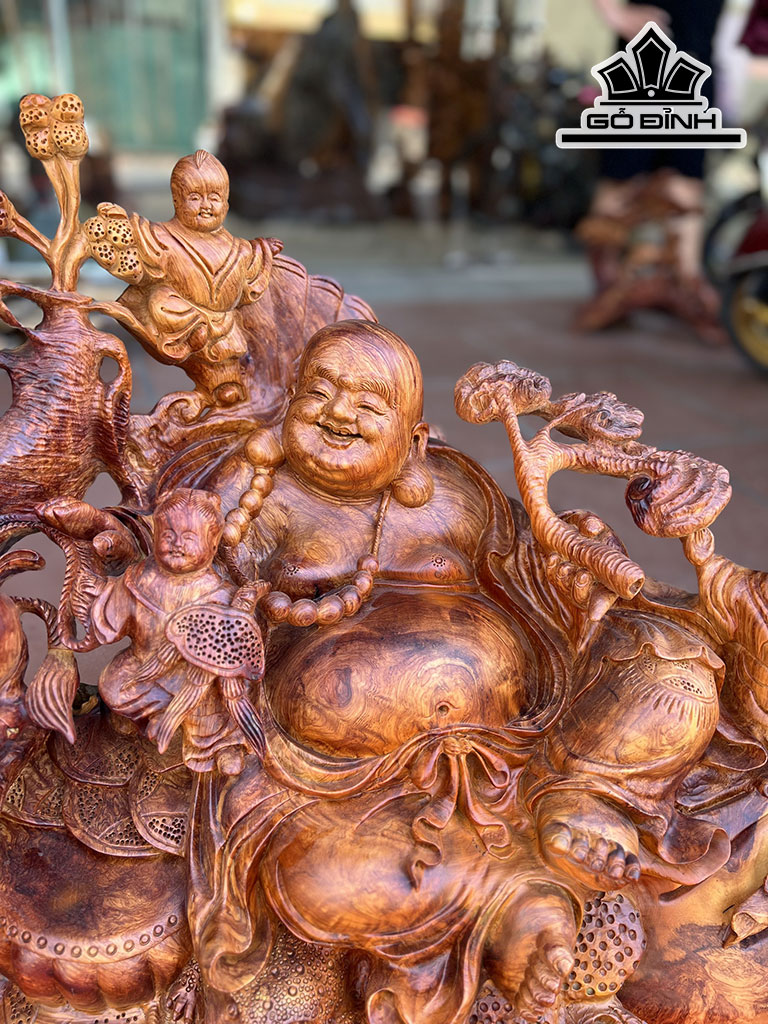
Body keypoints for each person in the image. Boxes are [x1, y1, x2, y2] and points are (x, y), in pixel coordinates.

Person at [183, 320, 727, 1023]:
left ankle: (582, 800)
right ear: (287, 408)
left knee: (676, 672)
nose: (339, 412)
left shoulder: (453, 492)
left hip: (515, 734)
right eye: (318, 393)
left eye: (368, 403)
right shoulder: (253, 495)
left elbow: (524, 566)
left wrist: (575, 563)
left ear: (414, 441)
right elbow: (187, 579)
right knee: (321, 877)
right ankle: (520, 904)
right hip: (345, 778)